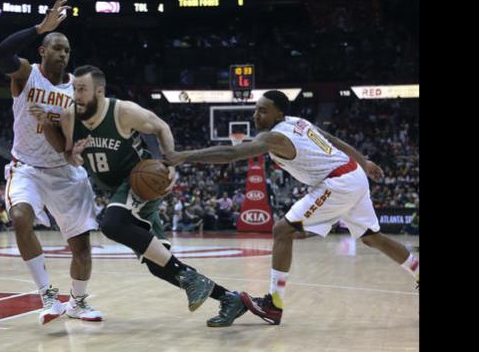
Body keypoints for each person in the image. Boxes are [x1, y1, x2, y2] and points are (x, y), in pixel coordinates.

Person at [165, 90, 419, 325]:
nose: (256, 115)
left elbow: (231, 154)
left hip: (338, 182)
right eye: (256, 109)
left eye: (263, 110)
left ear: (279, 114)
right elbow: (331, 139)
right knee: (373, 238)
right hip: (353, 175)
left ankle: (274, 305)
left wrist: (184, 156)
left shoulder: (274, 137)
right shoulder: (299, 122)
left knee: (282, 230)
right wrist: (363, 162)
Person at [40, 65, 247, 327]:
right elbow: (70, 156)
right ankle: (229, 298)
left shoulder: (123, 112)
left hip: (141, 181)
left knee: (111, 224)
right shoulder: (70, 117)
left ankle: (194, 280)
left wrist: (170, 163)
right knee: (158, 265)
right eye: (74, 89)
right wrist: (75, 156)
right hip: (118, 192)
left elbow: (161, 127)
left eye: (82, 89)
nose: (76, 95)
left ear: (99, 91)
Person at [0, 0, 102, 324]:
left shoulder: (76, 92)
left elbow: (71, 143)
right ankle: (47, 295)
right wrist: (39, 28)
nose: (63, 54)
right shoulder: (26, 74)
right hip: (26, 166)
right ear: (42, 50)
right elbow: (0, 54)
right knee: (19, 217)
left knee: (81, 246)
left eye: (67, 50)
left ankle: (78, 303)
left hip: (64, 171)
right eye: (57, 48)